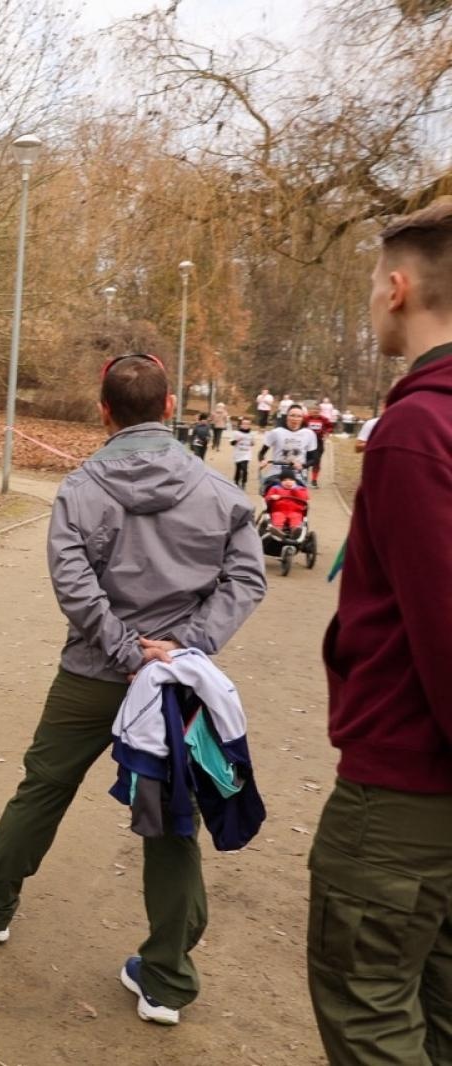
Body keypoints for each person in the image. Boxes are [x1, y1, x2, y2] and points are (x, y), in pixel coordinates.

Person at [0, 352, 265, 1027]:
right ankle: (166, 978)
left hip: (92, 675)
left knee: (44, 788)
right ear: (168, 408)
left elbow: (74, 582)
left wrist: (127, 650)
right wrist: (182, 649)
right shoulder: (220, 494)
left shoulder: (81, 487)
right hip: (170, 687)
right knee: (171, 822)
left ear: (104, 411)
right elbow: (247, 579)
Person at [309, 198, 452, 1065]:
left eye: (371, 283)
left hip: (403, 792)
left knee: (369, 1011)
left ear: (398, 288)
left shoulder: (415, 431)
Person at [258, 403, 316, 488]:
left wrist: (303, 466)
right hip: (277, 475)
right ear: (286, 417)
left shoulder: (309, 434)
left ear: (302, 419)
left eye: (299, 416)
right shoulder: (276, 432)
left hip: (297, 475)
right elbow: (261, 453)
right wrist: (262, 461)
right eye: (292, 415)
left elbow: (313, 459)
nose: (295, 419)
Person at [303, 407, 334, 488]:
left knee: (316, 461)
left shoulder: (324, 419)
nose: (315, 413)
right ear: (311, 411)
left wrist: (326, 433)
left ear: (320, 412)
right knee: (305, 460)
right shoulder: (306, 418)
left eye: (317, 411)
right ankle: (304, 478)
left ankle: (314, 480)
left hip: (318, 442)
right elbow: (300, 426)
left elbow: (330, 427)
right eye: (314, 411)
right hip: (307, 442)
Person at [229, 417, 255, 489]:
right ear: (240, 425)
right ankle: (236, 481)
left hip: (246, 454)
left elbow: (252, 443)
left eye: (248, 424)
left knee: (245, 469)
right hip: (238, 454)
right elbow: (231, 443)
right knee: (238, 469)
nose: (246, 425)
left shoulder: (251, 434)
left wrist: (252, 443)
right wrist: (236, 440)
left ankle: (244, 482)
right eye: (244, 424)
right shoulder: (236, 433)